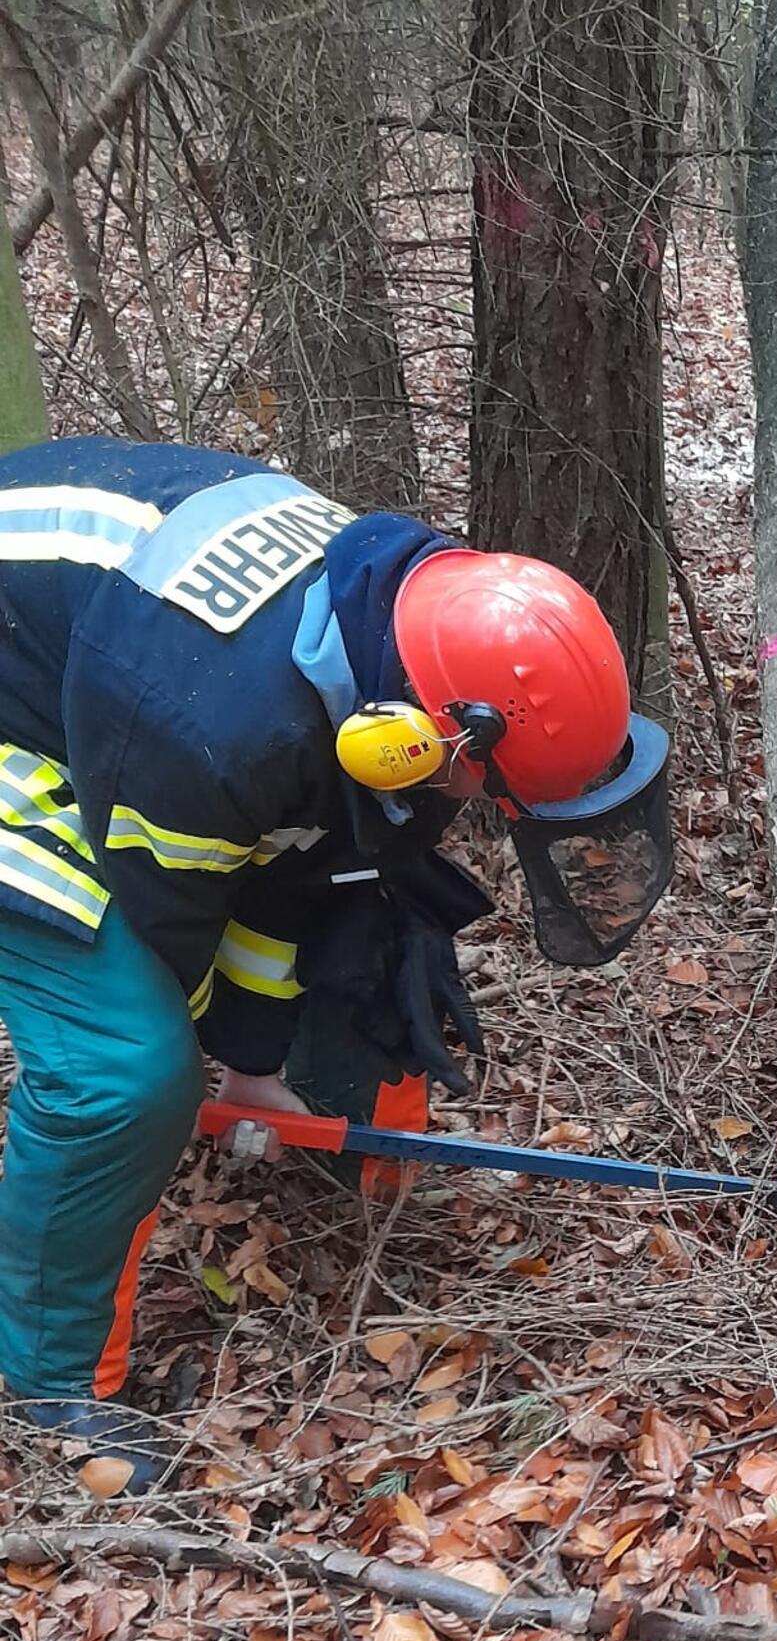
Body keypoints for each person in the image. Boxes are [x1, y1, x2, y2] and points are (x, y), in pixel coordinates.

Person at [0, 436, 672, 1492]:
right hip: (31, 728)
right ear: (419, 739)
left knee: (371, 911)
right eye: (487, 794)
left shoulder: (405, 625)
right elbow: (172, 923)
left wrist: (259, 1059)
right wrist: (209, 1068)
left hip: (112, 682)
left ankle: (337, 1144)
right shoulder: (214, 728)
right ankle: (53, 1383)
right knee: (126, 1069)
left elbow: (303, 870)